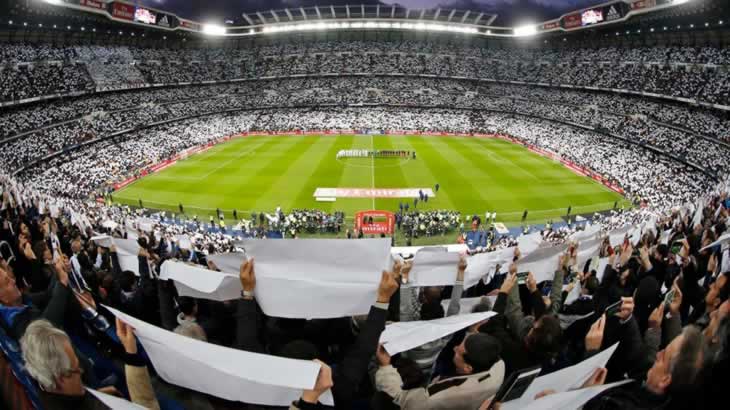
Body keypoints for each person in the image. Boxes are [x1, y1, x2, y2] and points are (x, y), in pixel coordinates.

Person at [21, 319, 160, 410]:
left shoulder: (47, 389)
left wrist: (95, 395)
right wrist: (131, 353)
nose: (81, 371)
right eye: (76, 369)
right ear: (59, 378)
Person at [374, 332, 505, 410]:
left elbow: (402, 400)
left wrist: (385, 366)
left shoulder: (445, 394)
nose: (454, 348)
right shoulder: (499, 364)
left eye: (458, 351)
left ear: (467, 368)